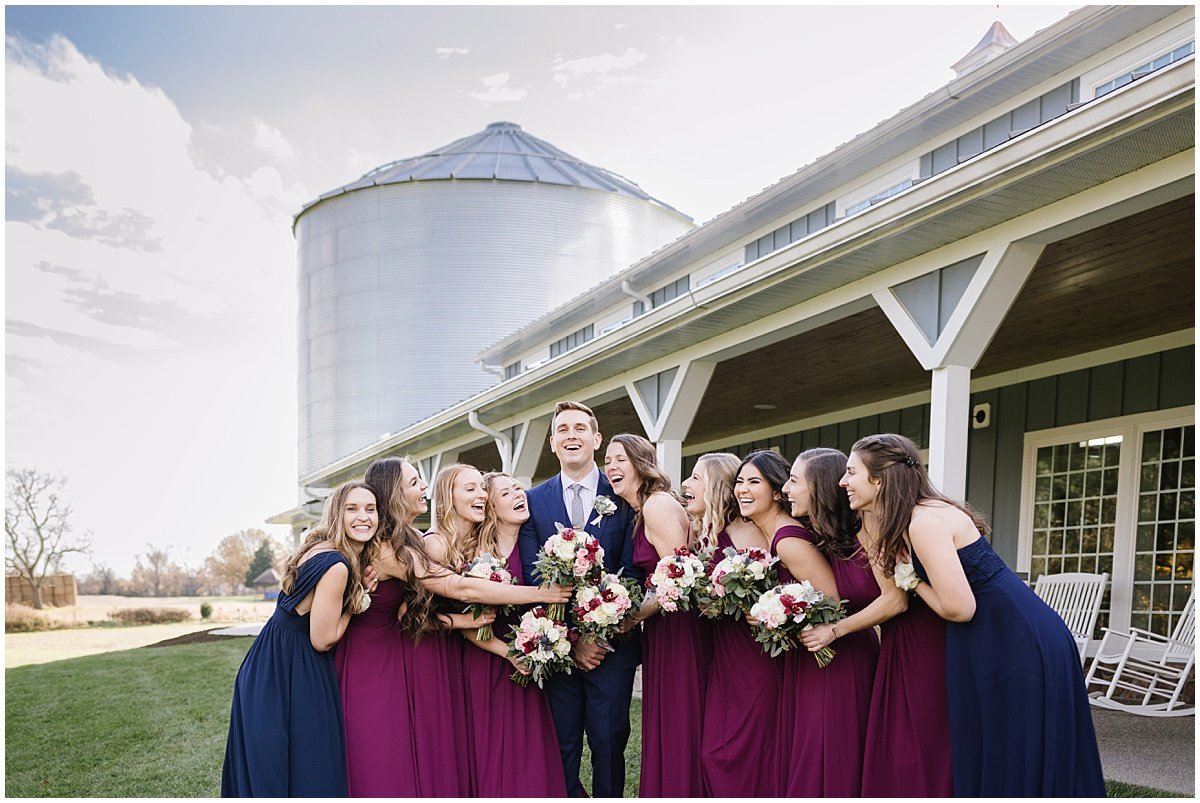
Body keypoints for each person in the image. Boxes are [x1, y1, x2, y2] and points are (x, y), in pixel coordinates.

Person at [843, 433, 1106, 796]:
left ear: (878, 479)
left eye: (850, 472)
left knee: (1018, 744)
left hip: (1016, 636)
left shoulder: (923, 521)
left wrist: (910, 579)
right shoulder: (913, 517)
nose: (844, 482)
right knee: (1003, 744)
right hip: (998, 632)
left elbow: (959, 608)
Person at [335, 456, 570, 797]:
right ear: (395, 492)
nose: (423, 487)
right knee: (401, 749)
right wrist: (538, 593)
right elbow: (452, 591)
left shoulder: (415, 538)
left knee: (438, 749)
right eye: (415, 482)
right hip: (395, 653)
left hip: (435, 650)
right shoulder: (405, 546)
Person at [222, 481, 377, 797]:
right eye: (352, 509)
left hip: (264, 664)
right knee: (309, 764)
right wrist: (358, 601)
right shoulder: (338, 565)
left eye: (370, 509)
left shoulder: (317, 547)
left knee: (273, 765)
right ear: (336, 514)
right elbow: (323, 639)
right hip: (295, 669)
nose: (364, 517)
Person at [518, 400, 641, 798]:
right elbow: (534, 575)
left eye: (580, 428)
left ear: (596, 438)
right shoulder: (533, 500)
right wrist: (571, 640)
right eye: (564, 430)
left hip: (612, 647)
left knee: (609, 742)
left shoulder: (621, 492)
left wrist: (598, 634)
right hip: (556, 650)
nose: (572, 435)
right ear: (552, 443)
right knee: (562, 742)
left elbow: (632, 570)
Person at [739, 449, 878, 796]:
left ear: (819, 487)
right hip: (815, 653)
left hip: (838, 656)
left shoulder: (791, 540)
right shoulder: (824, 531)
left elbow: (831, 604)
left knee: (827, 751)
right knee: (811, 750)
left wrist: (775, 613)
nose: (786, 489)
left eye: (794, 481)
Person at [607, 434, 708, 797]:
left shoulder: (656, 505)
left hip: (680, 625)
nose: (611, 467)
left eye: (620, 459)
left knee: (681, 718)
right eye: (608, 461)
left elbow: (681, 578)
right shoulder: (641, 509)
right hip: (665, 625)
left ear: (640, 463)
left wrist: (633, 617)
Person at [458, 471, 568, 797]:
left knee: (529, 751)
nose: (519, 495)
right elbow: (468, 624)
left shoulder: (541, 550)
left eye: (518, 489)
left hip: (530, 664)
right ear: (491, 506)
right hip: (487, 660)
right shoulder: (474, 554)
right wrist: (511, 654)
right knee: (489, 750)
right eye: (506, 494)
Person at [684, 453, 780, 797]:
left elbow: (772, 594)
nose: (686, 484)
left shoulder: (748, 532)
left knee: (743, 748)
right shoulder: (707, 533)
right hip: (722, 655)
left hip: (752, 655)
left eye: (696, 478)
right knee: (715, 750)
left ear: (716, 487)